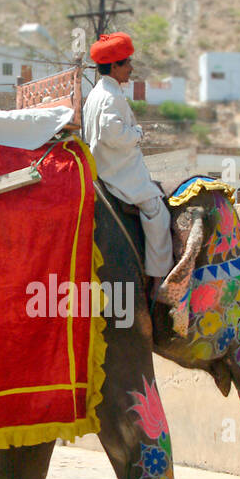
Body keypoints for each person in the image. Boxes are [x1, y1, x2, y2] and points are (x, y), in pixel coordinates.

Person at [82, 31, 172, 298]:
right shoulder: (111, 97)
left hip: (108, 165)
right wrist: (137, 134)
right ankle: (158, 280)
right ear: (114, 66)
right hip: (118, 171)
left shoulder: (98, 93)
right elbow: (113, 134)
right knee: (157, 211)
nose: (131, 69)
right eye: (127, 63)